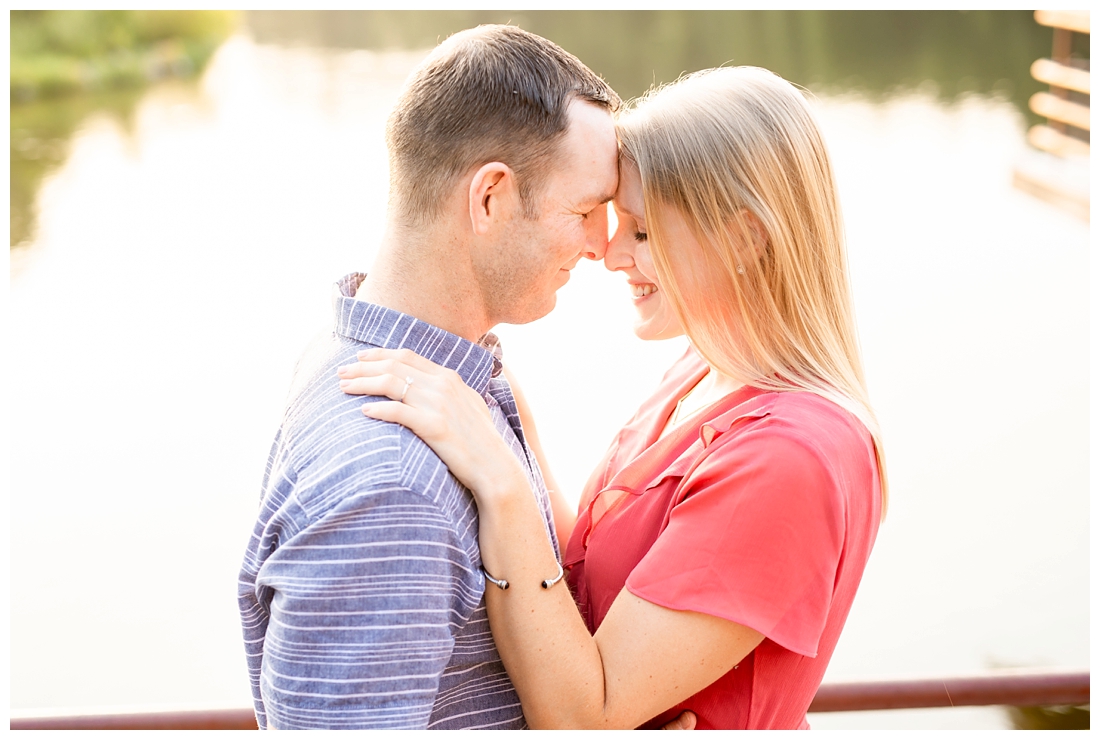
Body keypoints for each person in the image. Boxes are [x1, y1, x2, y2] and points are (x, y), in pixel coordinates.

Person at [337, 66, 887, 729]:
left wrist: (503, 483)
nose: (608, 250)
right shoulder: (702, 373)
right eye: (613, 219)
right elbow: (590, 581)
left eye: (643, 231)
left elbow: (583, 718)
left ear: (744, 237)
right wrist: (504, 408)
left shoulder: (787, 456)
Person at [236, 25, 625, 730]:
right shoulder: (392, 481)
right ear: (491, 199)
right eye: (585, 210)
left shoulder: (360, 353)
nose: (603, 244)